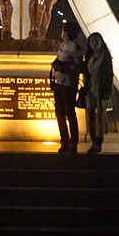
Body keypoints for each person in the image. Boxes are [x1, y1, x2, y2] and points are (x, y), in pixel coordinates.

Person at [50, 21, 81, 154]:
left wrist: (64, 67)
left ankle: (73, 143)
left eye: (63, 29)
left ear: (67, 32)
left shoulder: (75, 47)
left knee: (70, 114)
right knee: (60, 114)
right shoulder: (63, 45)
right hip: (59, 84)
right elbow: (58, 59)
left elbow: (78, 66)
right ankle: (64, 141)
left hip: (68, 86)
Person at [83, 32, 113, 155]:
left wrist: (107, 91)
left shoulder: (105, 57)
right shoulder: (89, 57)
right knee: (89, 117)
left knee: (100, 117)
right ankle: (93, 142)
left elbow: (110, 74)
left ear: (101, 42)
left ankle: (98, 144)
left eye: (97, 40)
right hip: (90, 89)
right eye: (92, 41)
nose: (94, 43)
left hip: (102, 89)